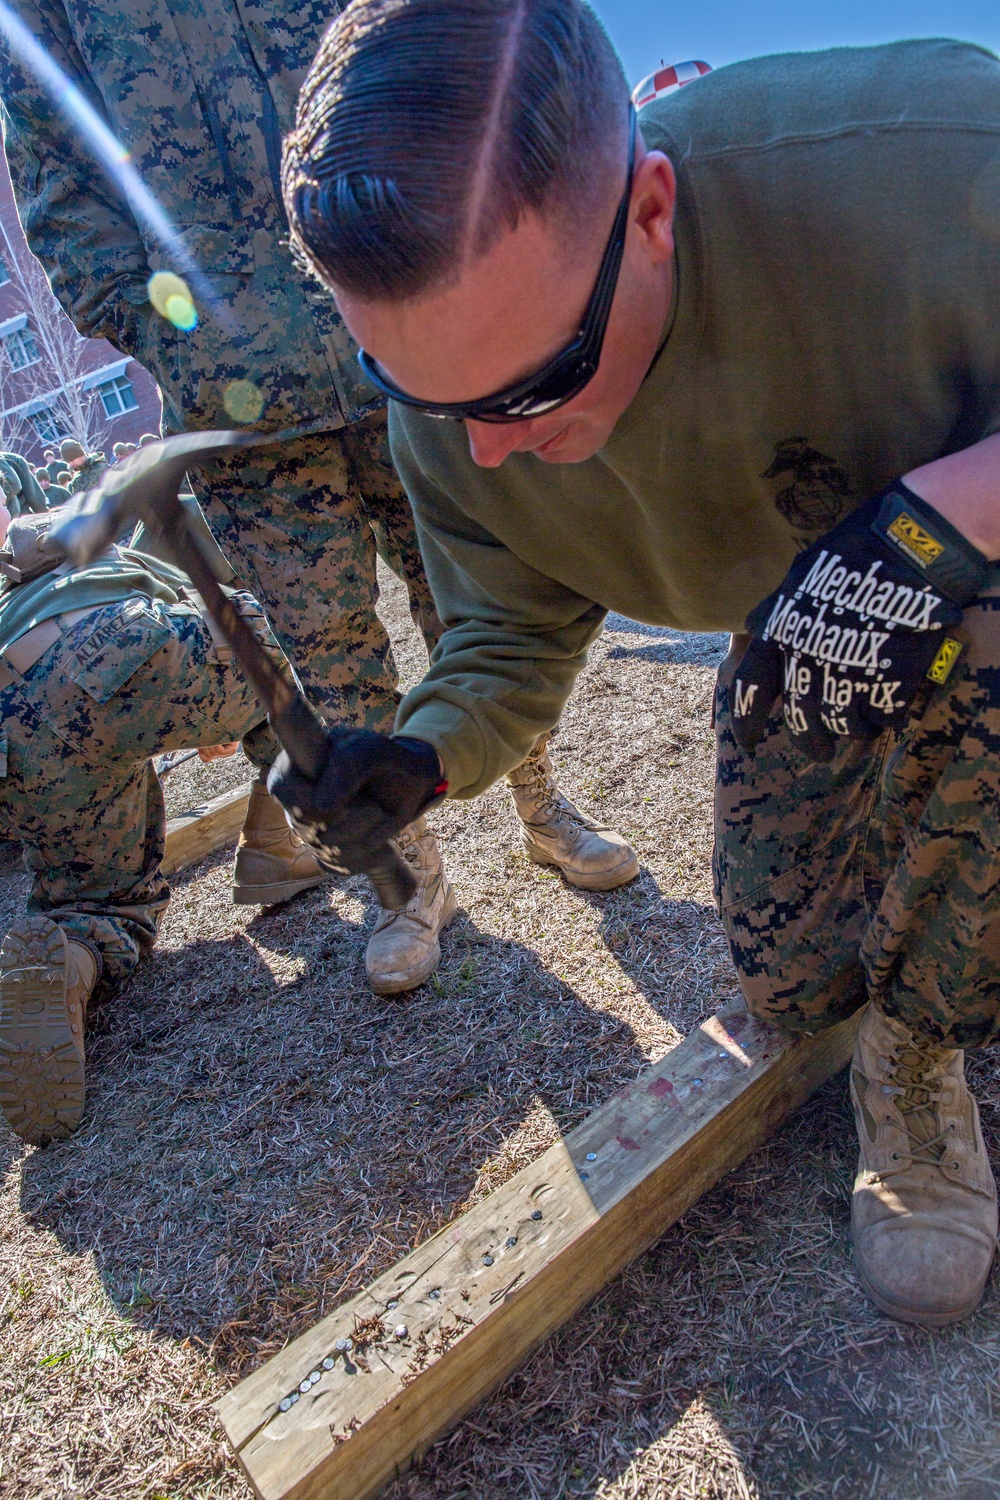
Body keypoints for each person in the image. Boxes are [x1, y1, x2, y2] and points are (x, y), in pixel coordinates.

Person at [276, 6, 1000, 1328]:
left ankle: (919, 1053)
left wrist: (947, 516)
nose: (483, 452)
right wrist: (424, 755)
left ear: (652, 212)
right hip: (794, 636)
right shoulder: (457, 416)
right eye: (424, 393)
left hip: (980, 584)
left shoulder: (932, 152)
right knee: (792, 981)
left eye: (532, 386)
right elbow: (505, 629)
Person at [0, 0, 638, 995]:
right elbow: (60, 195)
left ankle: (546, 811)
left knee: (475, 601)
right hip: (241, 415)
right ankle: (408, 884)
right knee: (325, 653)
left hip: (405, 339)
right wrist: (186, 339)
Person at [0, 499, 326, 1145]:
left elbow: (83, 706)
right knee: (291, 643)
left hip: (19, 723)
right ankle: (284, 839)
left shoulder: (12, 604)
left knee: (99, 899)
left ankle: (68, 957)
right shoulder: (123, 548)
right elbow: (209, 621)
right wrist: (222, 711)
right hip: (128, 650)